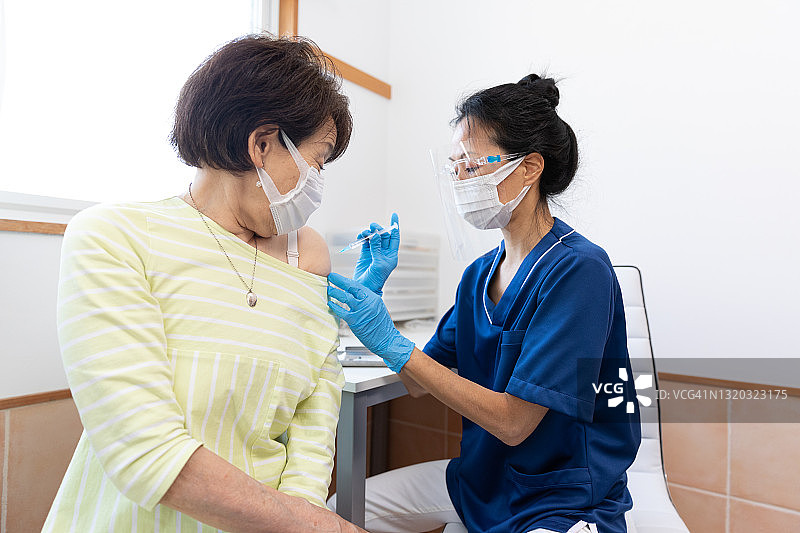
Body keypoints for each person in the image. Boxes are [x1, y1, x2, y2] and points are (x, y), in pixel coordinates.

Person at [43, 34, 367, 532]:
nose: (317, 181)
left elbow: (314, 411)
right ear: (262, 144)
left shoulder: (308, 254)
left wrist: (300, 515)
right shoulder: (115, 236)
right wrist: (316, 527)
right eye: (317, 161)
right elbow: (144, 448)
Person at [327, 75, 641, 533]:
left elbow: (514, 424)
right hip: (479, 484)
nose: (458, 179)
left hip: (559, 499)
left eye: (472, 165)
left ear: (530, 168)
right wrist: (376, 311)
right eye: (454, 165)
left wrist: (394, 342)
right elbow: (418, 383)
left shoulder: (580, 270)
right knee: (343, 508)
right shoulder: (478, 275)